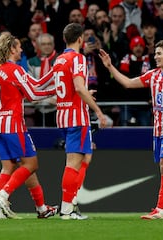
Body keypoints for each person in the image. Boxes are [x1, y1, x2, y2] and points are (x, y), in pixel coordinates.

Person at [99, 40, 163, 220]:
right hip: (158, 130)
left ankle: (159, 210)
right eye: (155, 53)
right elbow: (129, 83)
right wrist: (109, 67)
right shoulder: (153, 75)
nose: (156, 57)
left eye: (159, 53)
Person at [0, 33, 57, 219]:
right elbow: (33, 93)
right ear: (11, 49)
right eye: (18, 47)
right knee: (30, 163)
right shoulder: (15, 70)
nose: (21, 50)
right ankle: (4, 195)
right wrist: (58, 87)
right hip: (12, 125)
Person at [45, 23, 107, 220]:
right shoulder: (78, 58)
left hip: (62, 114)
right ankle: (67, 208)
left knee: (84, 158)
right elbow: (79, 88)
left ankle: (69, 204)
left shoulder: (59, 60)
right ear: (80, 39)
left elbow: (68, 89)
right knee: (73, 163)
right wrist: (98, 111)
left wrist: (84, 94)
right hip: (76, 116)